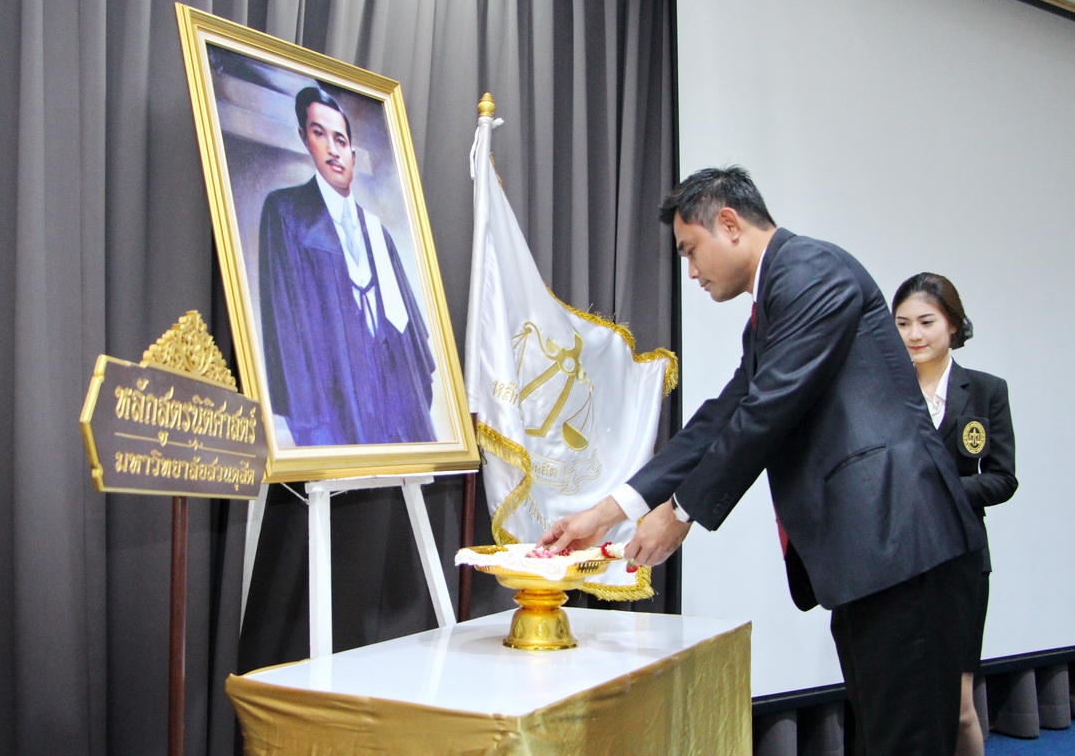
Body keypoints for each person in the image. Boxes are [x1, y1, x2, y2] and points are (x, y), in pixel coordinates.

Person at [539, 166, 986, 755]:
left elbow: (768, 409)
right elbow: (724, 415)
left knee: (906, 740)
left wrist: (680, 513)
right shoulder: (779, 295)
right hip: (874, 552)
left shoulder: (811, 271)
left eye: (690, 250)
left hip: (902, 541)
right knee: (884, 735)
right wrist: (609, 511)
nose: (691, 271)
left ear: (729, 223)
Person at [259, 86, 436, 446]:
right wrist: (311, 427)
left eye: (340, 140)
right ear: (304, 139)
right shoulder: (286, 214)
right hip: (335, 407)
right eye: (319, 133)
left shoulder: (378, 233)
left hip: (392, 406)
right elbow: (286, 327)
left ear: (353, 154)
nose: (332, 149)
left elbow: (412, 344)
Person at [893, 272, 1017, 756]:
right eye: (903, 323)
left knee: (958, 706)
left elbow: (1002, 478)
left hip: (960, 560)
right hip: (894, 559)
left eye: (926, 321)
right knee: (901, 703)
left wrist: (937, 491)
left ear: (953, 324)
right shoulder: (883, 389)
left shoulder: (985, 390)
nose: (914, 334)